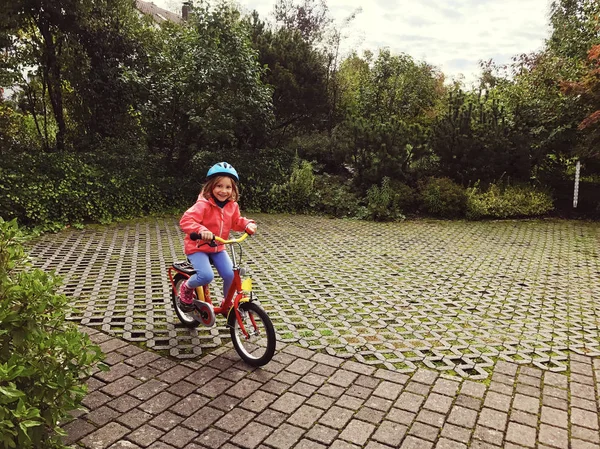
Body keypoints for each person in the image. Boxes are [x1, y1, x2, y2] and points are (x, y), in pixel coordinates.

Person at [178, 162, 257, 312]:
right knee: (206, 276)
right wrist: (201, 230)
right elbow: (186, 220)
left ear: (233, 189)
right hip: (198, 247)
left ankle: (227, 303)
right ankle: (186, 287)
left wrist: (247, 225)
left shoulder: (232, 206)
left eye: (228, 187)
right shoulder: (203, 205)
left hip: (218, 247)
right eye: (219, 186)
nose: (223, 191)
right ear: (211, 187)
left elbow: (236, 221)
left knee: (231, 275)